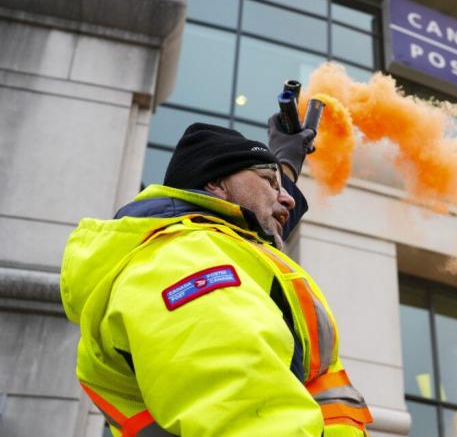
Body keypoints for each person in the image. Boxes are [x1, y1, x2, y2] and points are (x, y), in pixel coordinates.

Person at [60, 116, 373, 437]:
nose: (288, 199)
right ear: (216, 185)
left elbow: (250, 224)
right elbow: (247, 413)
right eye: (268, 181)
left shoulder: (208, 248)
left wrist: (285, 163)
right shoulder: (182, 260)